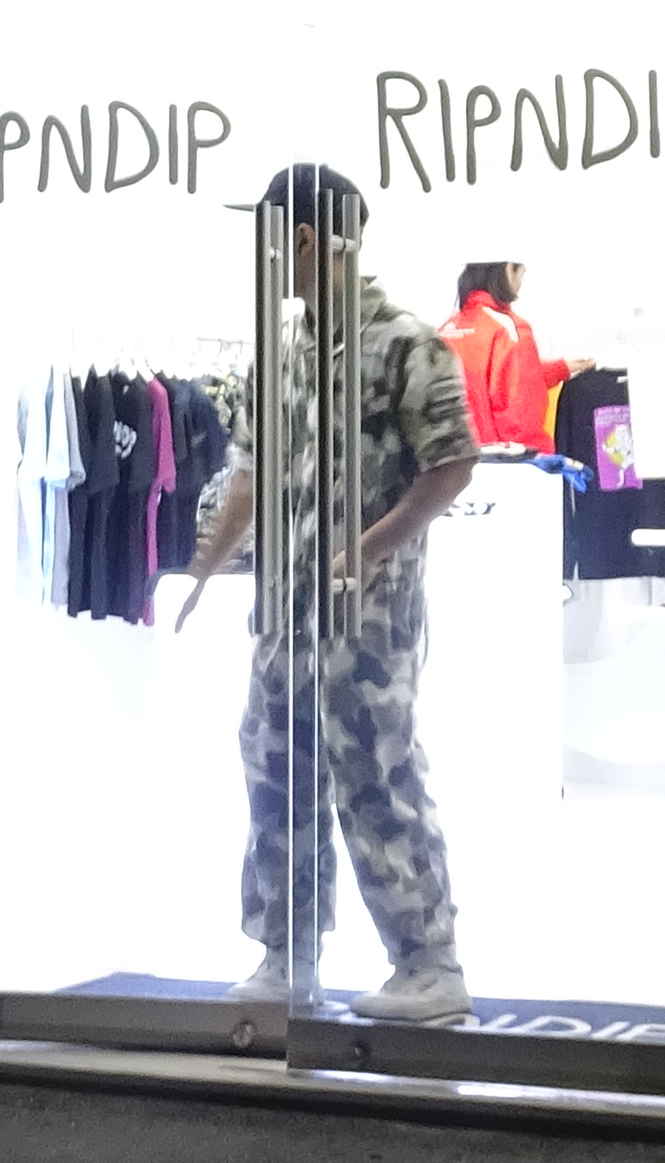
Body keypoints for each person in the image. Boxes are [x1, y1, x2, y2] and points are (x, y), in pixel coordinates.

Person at [167, 167, 478, 1024]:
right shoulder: (286, 352)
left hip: (366, 616)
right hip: (286, 610)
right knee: (275, 762)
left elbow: (454, 464)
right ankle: (288, 952)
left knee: (373, 766)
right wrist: (203, 568)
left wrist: (369, 549)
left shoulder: (408, 346)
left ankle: (429, 961)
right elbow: (251, 472)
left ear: (303, 238)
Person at [437, 261, 582, 457]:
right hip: (499, 463)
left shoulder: (445, 331)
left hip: (451, 463)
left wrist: (561, 368)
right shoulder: (510, 329)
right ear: (507, 270)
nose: (520, 282)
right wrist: (542, 460)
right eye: (521, 273)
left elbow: (480, 382)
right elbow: (520, 415)